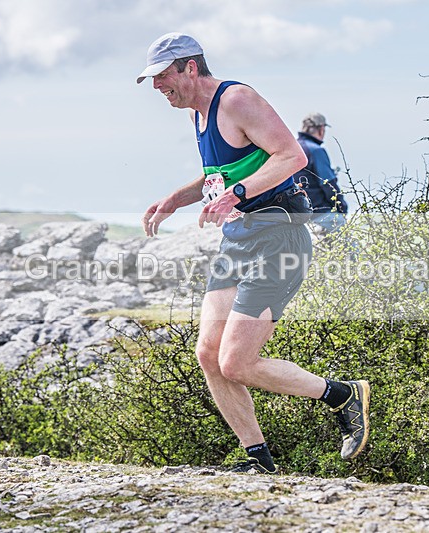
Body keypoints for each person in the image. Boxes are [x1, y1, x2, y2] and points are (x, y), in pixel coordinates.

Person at [137, 32, 370, 474]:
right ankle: (258, 461)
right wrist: (174, 199)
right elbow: (217, 177)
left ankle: (343, 395)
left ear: (189, 66)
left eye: (162, 76)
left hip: (279, 236)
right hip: (239, 240)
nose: (156, 87)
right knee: (209, 354)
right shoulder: (198, 116)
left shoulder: (237, 99)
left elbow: (292, 156)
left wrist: (239, 193)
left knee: (236, 361)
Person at [293, 113, 348, 235]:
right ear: (321, 129)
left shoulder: (293, 149)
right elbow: (328, 184)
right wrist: (342, 207)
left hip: (297, 216)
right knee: (351, 251)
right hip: (321, 215)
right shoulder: (316, 150)